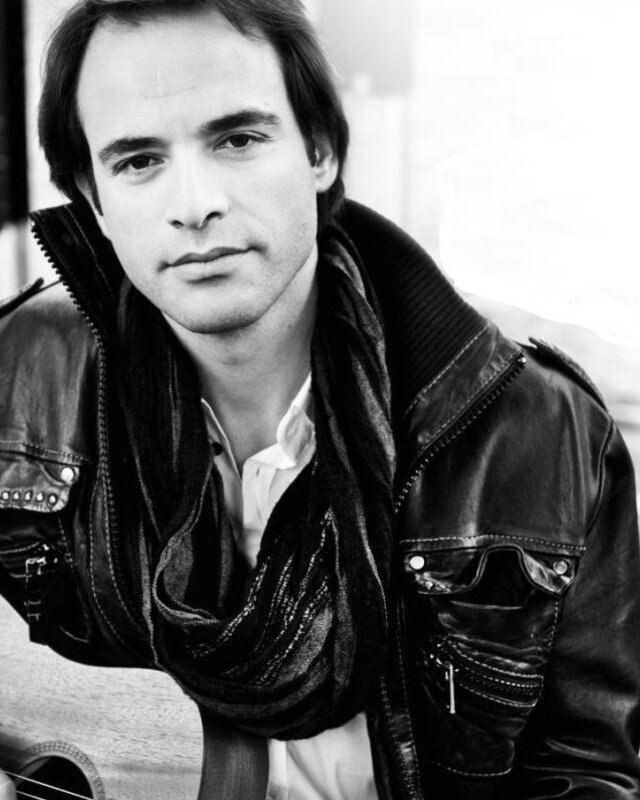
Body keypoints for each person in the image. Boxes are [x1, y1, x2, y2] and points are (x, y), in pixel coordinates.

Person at [0, 1, 639, 798]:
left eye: (237, 139)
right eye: (137, 161)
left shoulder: (539, 431)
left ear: (321, 151)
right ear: (93, 200)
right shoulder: (17, 387)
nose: (193, 203)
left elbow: (586, 773)